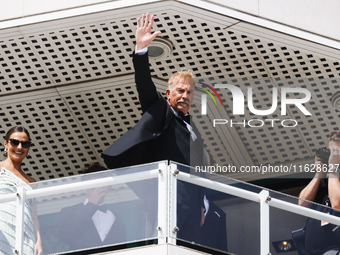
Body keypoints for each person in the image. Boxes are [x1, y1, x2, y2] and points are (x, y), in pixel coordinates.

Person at [101, 13, 214, 245]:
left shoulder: (194, 131)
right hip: (167, 195)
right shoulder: (160, 110)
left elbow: (201, 170)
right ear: (168, 94)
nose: (185, 96)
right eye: (180, 91)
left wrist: (203, 203)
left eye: (189, 92)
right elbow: (144, 84)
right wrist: (140, 49)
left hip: (192, 203)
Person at [57, 162, 126, 252]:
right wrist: (91, 205)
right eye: (95, 183)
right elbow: (66, 237)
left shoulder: (115, 218)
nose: (99, 187)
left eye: (104, 183)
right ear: (86, 186)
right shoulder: (69, 211)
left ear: (109, 187)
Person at [0, 126, 43, 255]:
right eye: (14, 142)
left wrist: (38, 241)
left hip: (26, 236)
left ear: (29, 148)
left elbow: (34, 216)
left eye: (24, 144)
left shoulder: (32, 182)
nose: (19, 147)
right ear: (6, 144)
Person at [296, 131, 340, 254]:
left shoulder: (333, 176)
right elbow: (302, 205)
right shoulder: (328, 180)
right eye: (329, 150)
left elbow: (337, 205)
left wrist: (333, 169)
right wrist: (319, 173)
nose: (331, 155)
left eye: (335, 151)